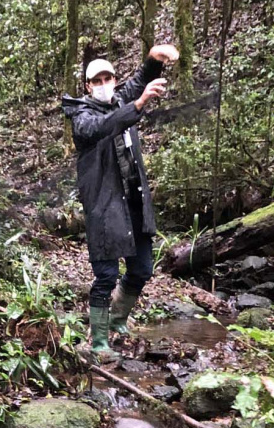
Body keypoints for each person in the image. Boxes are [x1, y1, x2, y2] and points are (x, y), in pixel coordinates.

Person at [62, 45, 179, 362]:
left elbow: (140, 80)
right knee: (105, 276)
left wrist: (155, 59)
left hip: (134, 202)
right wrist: (138, 105)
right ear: (88, 86)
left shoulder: (121, 99)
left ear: (114, 80)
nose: (102, 84)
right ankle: (100, 342)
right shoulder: (81, 115)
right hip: (103, 206)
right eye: (96, 80)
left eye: (107, 78)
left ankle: (117, 319)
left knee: (141, 269)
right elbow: (102, 127)